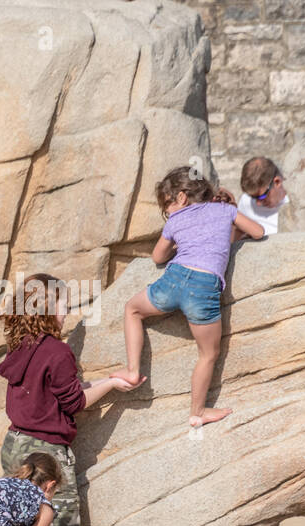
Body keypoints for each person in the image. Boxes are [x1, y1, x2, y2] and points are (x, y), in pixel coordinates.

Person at [0, 273, 137, 526]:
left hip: (14, 444)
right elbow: (73, 402)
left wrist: (102, 381)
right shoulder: (58, 351)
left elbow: (59, 393)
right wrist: (111, 386)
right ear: (45, 307)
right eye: (61, 303)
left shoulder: (21, 344)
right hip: (46, 454)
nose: (67, 311)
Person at [112, 167, 264, 426]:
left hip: (174, 280)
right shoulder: (225, 211)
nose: (167, 211)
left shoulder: (176, 220)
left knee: (132, 310)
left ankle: (133, 370)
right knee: (207, 354)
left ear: (181, 197)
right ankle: (198, 412)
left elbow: (158, 257)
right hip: (204, 287)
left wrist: (178, 242)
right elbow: (259, 232)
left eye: (167, 205)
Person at [235, 156, 288, 237]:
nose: (258, 203)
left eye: (261, 197)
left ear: (277, 182)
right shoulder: (246, 201)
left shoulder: (293, 203)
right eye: (253, 197)